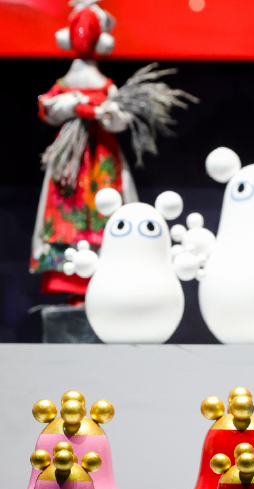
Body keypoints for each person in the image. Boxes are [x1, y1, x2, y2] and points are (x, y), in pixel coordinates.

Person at [30, 0, 195, 294]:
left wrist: (107, 113)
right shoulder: (65, 84)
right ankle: (69, 281)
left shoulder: (105, 86)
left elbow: (119, 118)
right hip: (70, 160)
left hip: (103, 157)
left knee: (108, 203)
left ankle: (107, 276)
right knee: (65, 204)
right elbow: (48, 108)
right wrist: (76, 107)